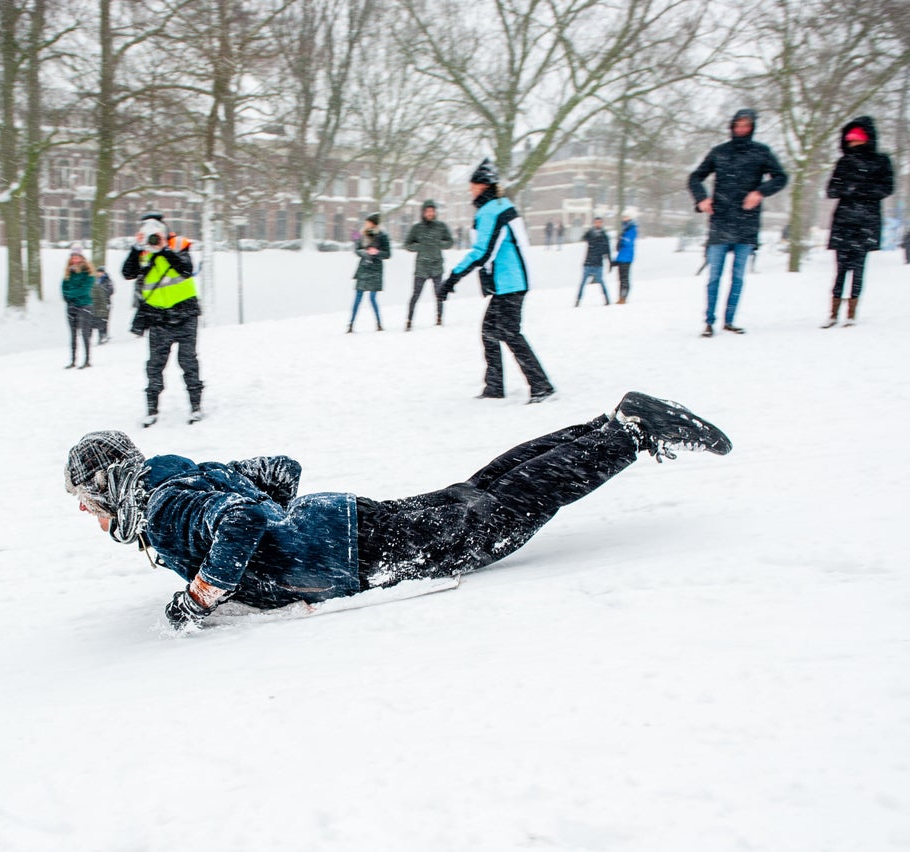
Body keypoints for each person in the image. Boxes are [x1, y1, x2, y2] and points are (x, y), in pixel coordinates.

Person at [65, 392, 732, 629]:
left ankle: (630, 434)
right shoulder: (177, 476)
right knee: (482, 495)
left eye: (89, 505)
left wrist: (205, 594)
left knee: (499, 518)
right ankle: (603, 425)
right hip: (342, 522)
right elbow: (278, 475)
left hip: (350, 547)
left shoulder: (161, 509)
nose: (95, 519)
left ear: (109, 486)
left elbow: (238, 522)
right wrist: (282, 533)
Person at [443, 158, 555, 403]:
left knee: (510, 333)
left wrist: (453, 277)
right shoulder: (500, 206)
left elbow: (483, 252)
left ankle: (542, 387)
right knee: (490, 332)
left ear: (484, 186)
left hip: (510, 284)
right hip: (510, 283)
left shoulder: (492, 210)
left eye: (473, 185)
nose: (470, 189)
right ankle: (495, 387)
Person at [688, 108, 788, 338]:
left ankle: (730, 320)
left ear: (752, 128)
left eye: (746, 126)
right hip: (720, 221)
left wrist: (760, 192)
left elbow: (781, 177)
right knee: (714, 276)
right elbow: (695, 177)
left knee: (738, 277)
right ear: (732, 127)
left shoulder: (761, 152)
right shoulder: (719, 152)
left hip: (747, 222)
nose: (741, 129)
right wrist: (702, 199)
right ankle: (709, 321)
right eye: (738, 125)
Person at [123, 211, 204, 427]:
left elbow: (187, 269)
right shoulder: (141, 252)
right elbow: (127, 273)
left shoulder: (177, 244)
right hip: (158, 317)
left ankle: (196, 406)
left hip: (185, 313)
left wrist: (164, 250)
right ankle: (151, 409)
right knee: (155, 365)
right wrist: (136, 249)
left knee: (188, 361)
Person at [822, 116, 894, 328]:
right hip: (844, 220)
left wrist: (860, 191)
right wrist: (848, 189)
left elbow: (886, 188)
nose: (854, 145)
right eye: (851, 141)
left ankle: (851, 313)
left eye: (858, 141)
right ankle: (833, 313)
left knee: (859, 268)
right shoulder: (843, 162)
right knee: (841, 268)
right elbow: (831, 190)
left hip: (866, 221)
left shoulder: (881, 161)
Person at [402, 200, 455, 330]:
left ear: (435, 212)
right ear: (423, 212)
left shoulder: (441, 226)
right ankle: (409, 320)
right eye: (428, 211)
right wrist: (420, 246)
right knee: (416, 294)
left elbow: (450, 242)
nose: (430, 213)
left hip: (437, 265)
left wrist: (439, 244)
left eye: (432, 211)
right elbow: (407, 244)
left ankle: (439, 318)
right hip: (422, 267)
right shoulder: (417, 228)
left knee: (439, 294)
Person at [348, 213, 389, 333]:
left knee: (372, 298)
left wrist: (377, 252)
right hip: (363, 268)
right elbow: (357, 250)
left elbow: (388, 254)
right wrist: (364, 253)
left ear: (374, 223)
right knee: (358, 297)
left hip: (376, 270)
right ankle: (351, 324)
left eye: (368, 222)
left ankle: (379, 323)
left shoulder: (382, 236)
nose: (366, 224)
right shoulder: (362, 234)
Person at [62, 246, 95, 369]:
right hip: (71, 306)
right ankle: (73, 360)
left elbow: (84, 290)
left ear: (81, 258)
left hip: (84, 305)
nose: (75, 260)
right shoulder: (68, 273)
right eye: (73, 258)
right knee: (73, 334)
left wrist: (71, 293)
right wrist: (68, 296)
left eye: (77, 257)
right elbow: (64, 287)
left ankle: (87, 359)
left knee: (85, 333)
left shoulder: (88, 273)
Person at [575, 216, 612, 307]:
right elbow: (583, 238)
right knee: (582, 283)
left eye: (599, 222)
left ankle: (607, 299)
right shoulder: (590, 233)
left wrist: (610, 262)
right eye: (596, 222)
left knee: (601, 282)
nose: (597, 224)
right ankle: (578, 300)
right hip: (588, 262)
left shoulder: (604, 235)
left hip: (598, 263)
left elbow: (607, 250)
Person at [614, 209, 638, 304]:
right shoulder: (625, 228)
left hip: (627, 258)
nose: (624, 218)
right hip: (621, 257)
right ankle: (620, 296)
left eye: (626, 217)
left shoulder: (632, 229)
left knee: (624, 278)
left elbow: (629, 241)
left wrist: (621, 239)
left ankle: (623, 297)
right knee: (621, 278)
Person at [92, 266, 114, 344]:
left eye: (100, 272)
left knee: (104, 319)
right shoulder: (95, 280)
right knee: (98, 319)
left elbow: (111, 291)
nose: (99, 274)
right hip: (97, 304)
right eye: (98, 272)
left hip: (106, 303)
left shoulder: (107, 280)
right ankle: (101, 335)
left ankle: (104, 334)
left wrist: (103, 291)